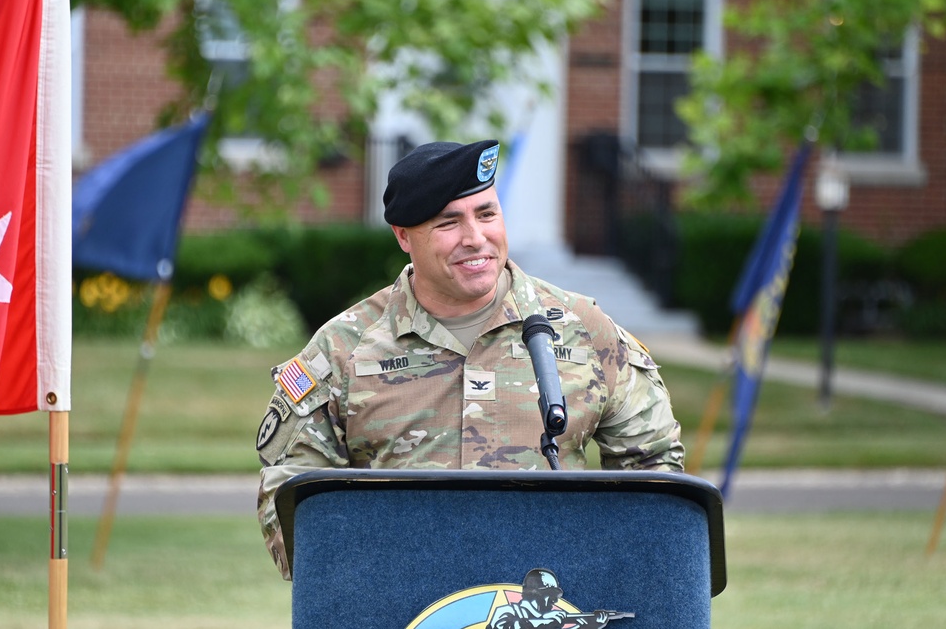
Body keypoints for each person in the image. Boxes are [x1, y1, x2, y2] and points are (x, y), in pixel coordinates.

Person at [256, 139, 684, 579]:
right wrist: (357, 584)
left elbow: (654, 469)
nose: (475, 238)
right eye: (448, 223)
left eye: (487, 214)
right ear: (403, 235)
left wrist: (607, 571)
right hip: (399, 605)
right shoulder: (344, 348)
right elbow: (291, 495)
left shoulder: (585, 328)